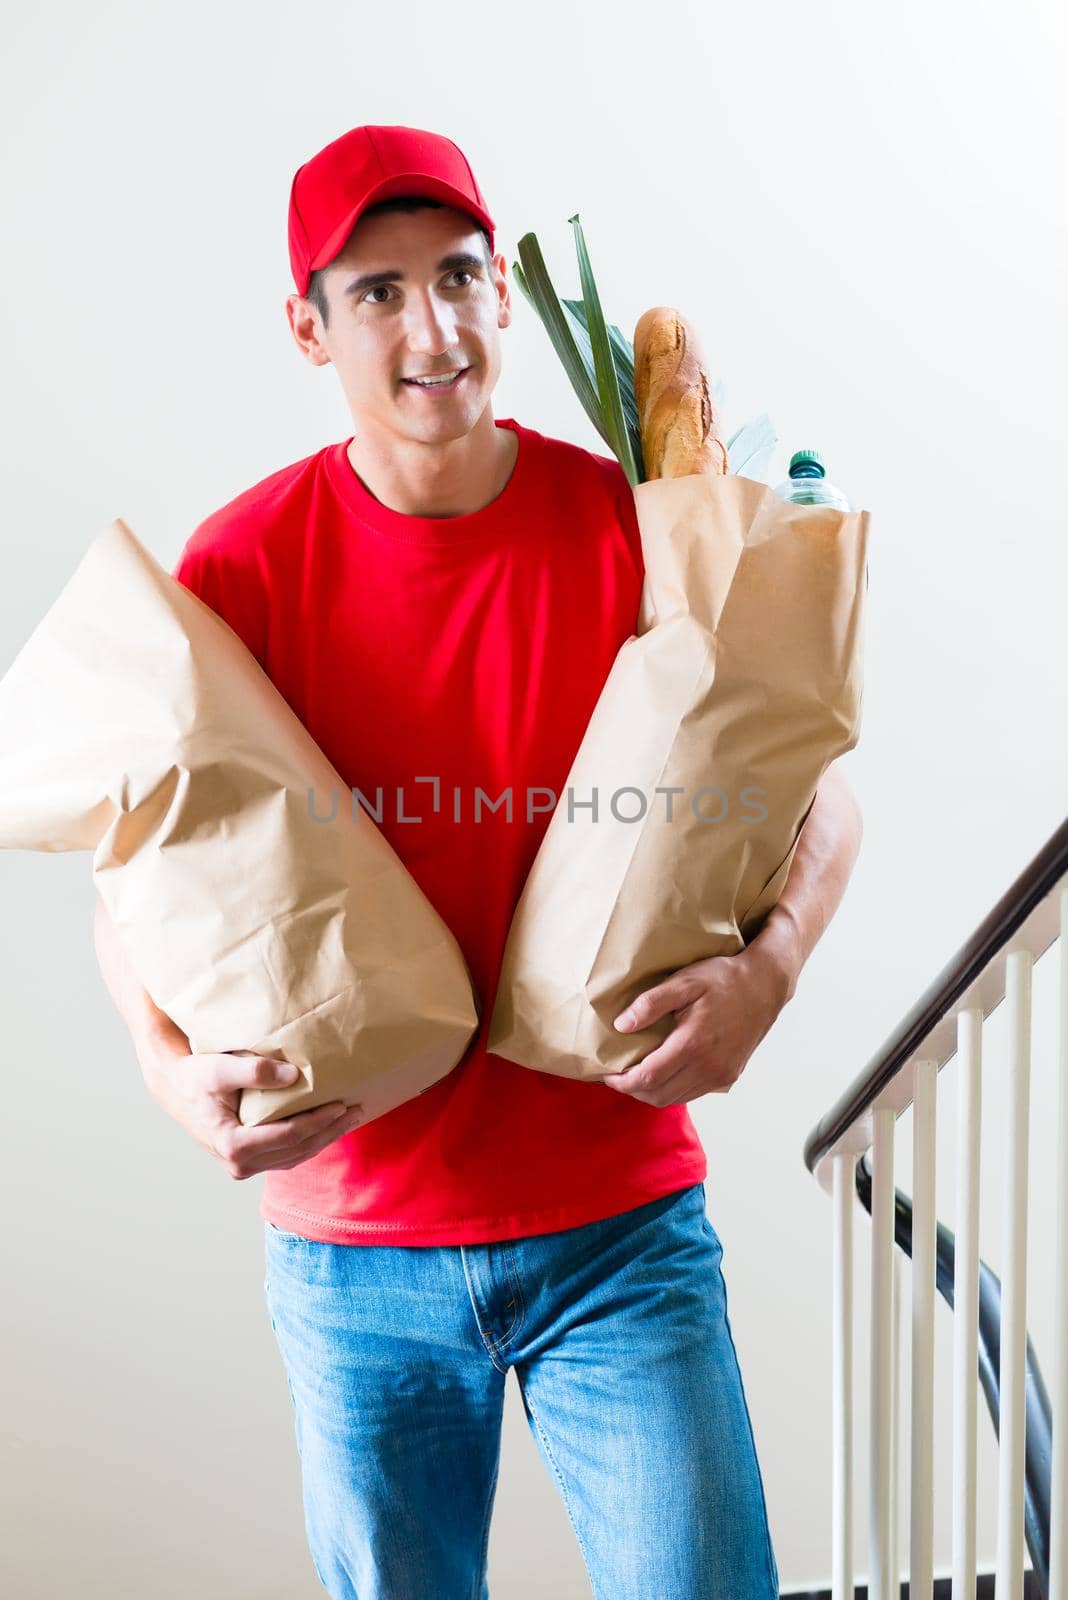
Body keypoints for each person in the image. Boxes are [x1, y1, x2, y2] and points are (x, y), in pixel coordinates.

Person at [93, 123, 863, 1600]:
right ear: (307, 325)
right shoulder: (241, 569)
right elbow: (137, 882)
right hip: (353, 1251)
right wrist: (164, 1068)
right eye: (377, 293)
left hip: (620, 1225)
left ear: (506, 294)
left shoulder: (640, 532)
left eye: (456, 278)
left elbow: (821, 792)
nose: (431, 330)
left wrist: (770, 975)